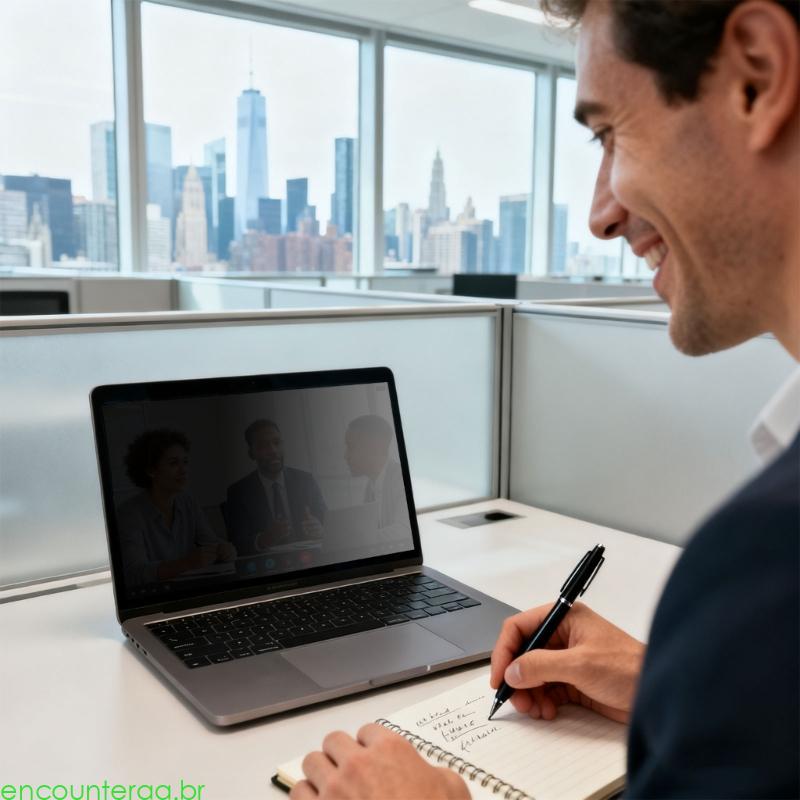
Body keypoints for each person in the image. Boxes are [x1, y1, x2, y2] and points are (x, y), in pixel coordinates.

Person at [290, 0, 799, 797]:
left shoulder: (768, 565)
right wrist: (679, 683)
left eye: (608, 134)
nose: (601, 213)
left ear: (758, 79)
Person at [117, 429, 236, 587]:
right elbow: (135, 573)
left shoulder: (187, 502)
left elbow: (211, 543)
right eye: (174, 463)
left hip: (189, 592)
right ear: (151, 470)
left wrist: (225, 550)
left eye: (185, 462)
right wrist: (186, 563)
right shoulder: (129, 513)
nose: (183, 470)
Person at [225, 418, 327, 556]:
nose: (273, 450)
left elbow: (328, 523)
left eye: (277, 443)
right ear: (251, 453)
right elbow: (236, 544)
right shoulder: (238, 492)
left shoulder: (305, 480)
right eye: (263, 446)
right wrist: (264, 539)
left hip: (308, 560)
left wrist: (320, 528)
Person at [344, 415, 408, 533]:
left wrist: (359, 539)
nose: (346, 456)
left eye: (351, 447)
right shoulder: (371, 486)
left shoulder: (401, 479)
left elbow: (405, 529)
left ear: (374, 447)